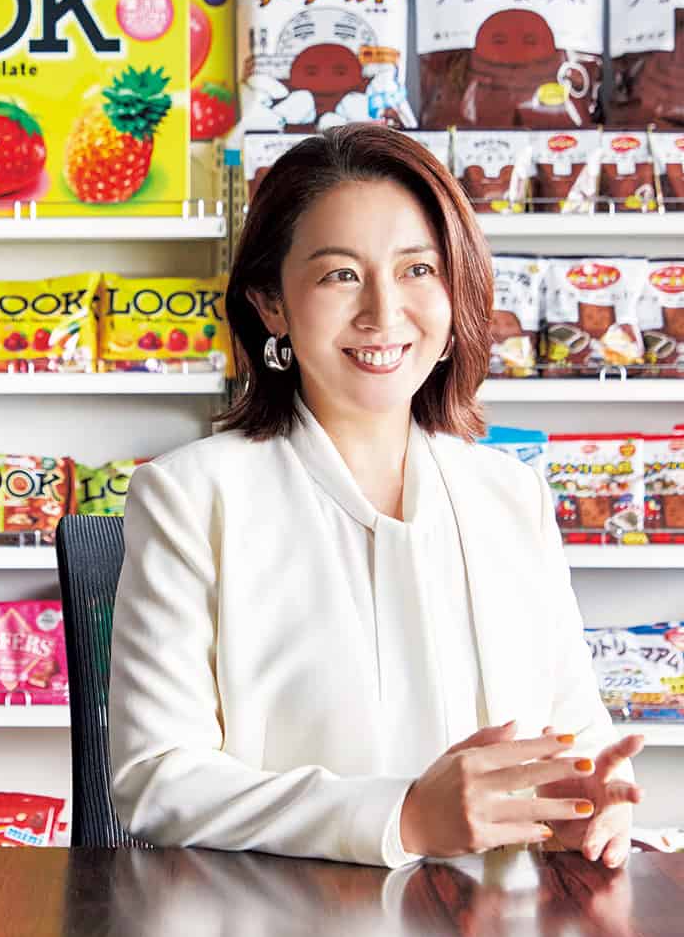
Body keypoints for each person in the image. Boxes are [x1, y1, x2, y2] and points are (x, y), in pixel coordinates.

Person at [108, 124, 644, 869]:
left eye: (418, 269)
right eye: (340, 275)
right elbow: (156, 778)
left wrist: (586, 803)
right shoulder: (192, 496)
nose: (383, 312)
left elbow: (577, 735)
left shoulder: (509, 493)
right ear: (271, 304)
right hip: (287, 912)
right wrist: (404, 817)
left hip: (497, 913)